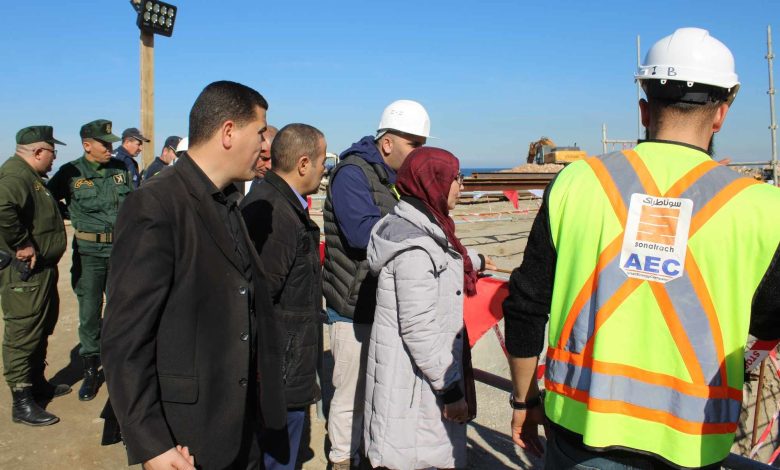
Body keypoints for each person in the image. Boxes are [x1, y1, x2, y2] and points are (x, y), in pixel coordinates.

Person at [503, 27, 780, 469]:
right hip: (693, 440)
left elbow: (525, 303)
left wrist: (523, 399)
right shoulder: (764, 208)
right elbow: (768, 319)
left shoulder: (576, 183)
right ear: (721, 115)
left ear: (644, 109)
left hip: (580, 429)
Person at [101, 80, 286, 470]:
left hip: (240, 424)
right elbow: (125, 338)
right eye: (260, 133)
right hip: (188, 437)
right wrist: (151, 444)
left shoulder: (228, 200)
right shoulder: (156, 204)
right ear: (228, 132)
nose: (265, 145)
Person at [365, 147, 492, 469]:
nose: (461, 185)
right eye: (456, 178)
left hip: (416, 383)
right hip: (415, 390)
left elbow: (444, 259)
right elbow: (418, 328)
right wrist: (450, 391)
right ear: (433, 181)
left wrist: (475, 261)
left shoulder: (418, 226)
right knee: (417, 458)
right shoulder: (415, 249)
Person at [322, 99, 430, 469]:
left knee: (378, 392)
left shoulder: (393, 177)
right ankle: (341, 460)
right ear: (387, 143)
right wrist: (420, 238)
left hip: (381, 303)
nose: (419, 153)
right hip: (354, 306)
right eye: (414, 144)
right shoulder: (352, 174)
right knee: (351, 395)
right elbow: (362, 234)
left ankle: (366, 455)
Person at [241, 123, 326, 470]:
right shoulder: (274, 212)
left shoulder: (280, 204)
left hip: (284, 368)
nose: (324, 170)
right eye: (322, 161)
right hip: (279, 374)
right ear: (303, 164)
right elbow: (258, 300)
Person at [47, 119, 131, 402]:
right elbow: (48, 200)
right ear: (87, 145)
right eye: (104, 144)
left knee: (122, 309)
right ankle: (91, 370)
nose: (110, 148)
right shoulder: (70, 172)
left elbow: (132, 203)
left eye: (110, 143)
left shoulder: (120, 169)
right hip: (89, 253)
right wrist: (71, 214)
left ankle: (121, 364)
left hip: (119, 251)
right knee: (90, 312)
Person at [0, 126, 70, 426]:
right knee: (23, 333)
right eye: (53, 152)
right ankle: (22, 401)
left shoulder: (30, 177)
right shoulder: (16, 176)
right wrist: (22, 243)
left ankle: (37, 383)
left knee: (40, 328)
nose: (55, 158)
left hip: (40, 271)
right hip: (24, 274)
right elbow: (2, 206)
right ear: (39, 152)